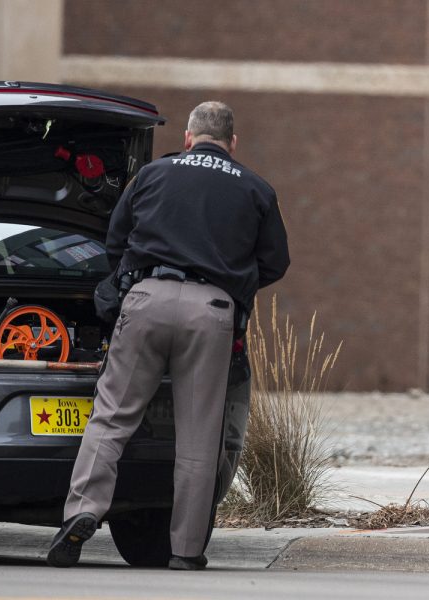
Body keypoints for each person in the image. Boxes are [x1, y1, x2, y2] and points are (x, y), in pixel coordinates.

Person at [47, 101, 290, 569]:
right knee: (200, 437)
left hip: (146, 300)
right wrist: (232, 281)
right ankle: (185, 550)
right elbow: (275, 263)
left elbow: (115, 242)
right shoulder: (257, 188)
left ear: (187, 137)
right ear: (233, 143)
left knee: (112, 418)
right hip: (212, 310)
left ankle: (81, 514)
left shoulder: (153, 175)